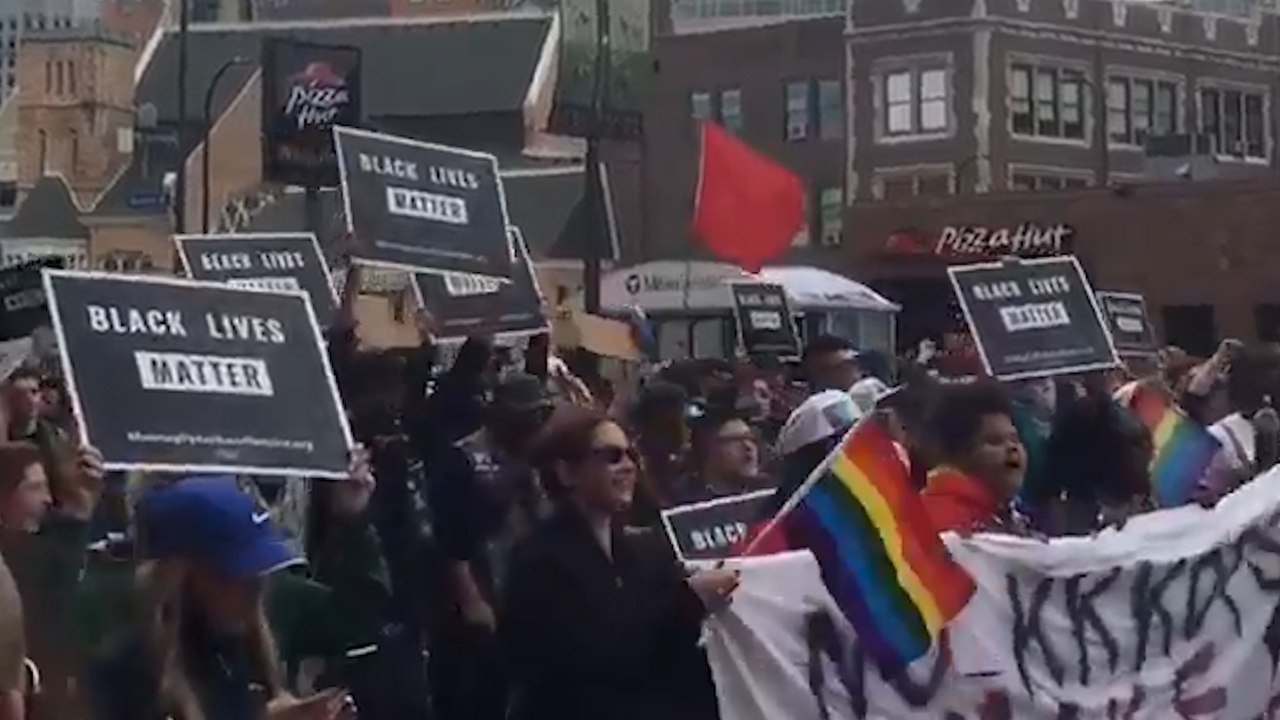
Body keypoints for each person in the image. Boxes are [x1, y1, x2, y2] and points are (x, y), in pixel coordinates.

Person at [502, 405, 737, 720]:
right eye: (611, 457)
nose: (628, 467)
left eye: (631, 456)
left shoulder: (642, 551)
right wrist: (688, 600)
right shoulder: (537, 560)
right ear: (567, 472)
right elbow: (589, 655)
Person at [87, 476, 358, 720]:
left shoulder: (241, 649)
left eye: (260, 571)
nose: (254, 587)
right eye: (236, 573)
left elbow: (354, 624)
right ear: (179, 577)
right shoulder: (128, 673)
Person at [426, 373, 554, 720]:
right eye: (525, 415)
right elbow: (450, 538)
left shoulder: (539, 457)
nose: (532, 424)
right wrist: (472, 600)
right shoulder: (464, 458)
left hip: (528, 592)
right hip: (481, 592)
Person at [921, 382, 1028, 534]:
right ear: (958, 454)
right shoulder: (942, 516)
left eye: (1015, 439)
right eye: (994, 441)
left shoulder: (1008, 512)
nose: (1012, 448)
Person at [675, 411, 762, 503]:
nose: (748, 446)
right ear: (707, 447)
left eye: (750, 437)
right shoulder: (681, 502)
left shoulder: (768, 492)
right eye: (736, 439)